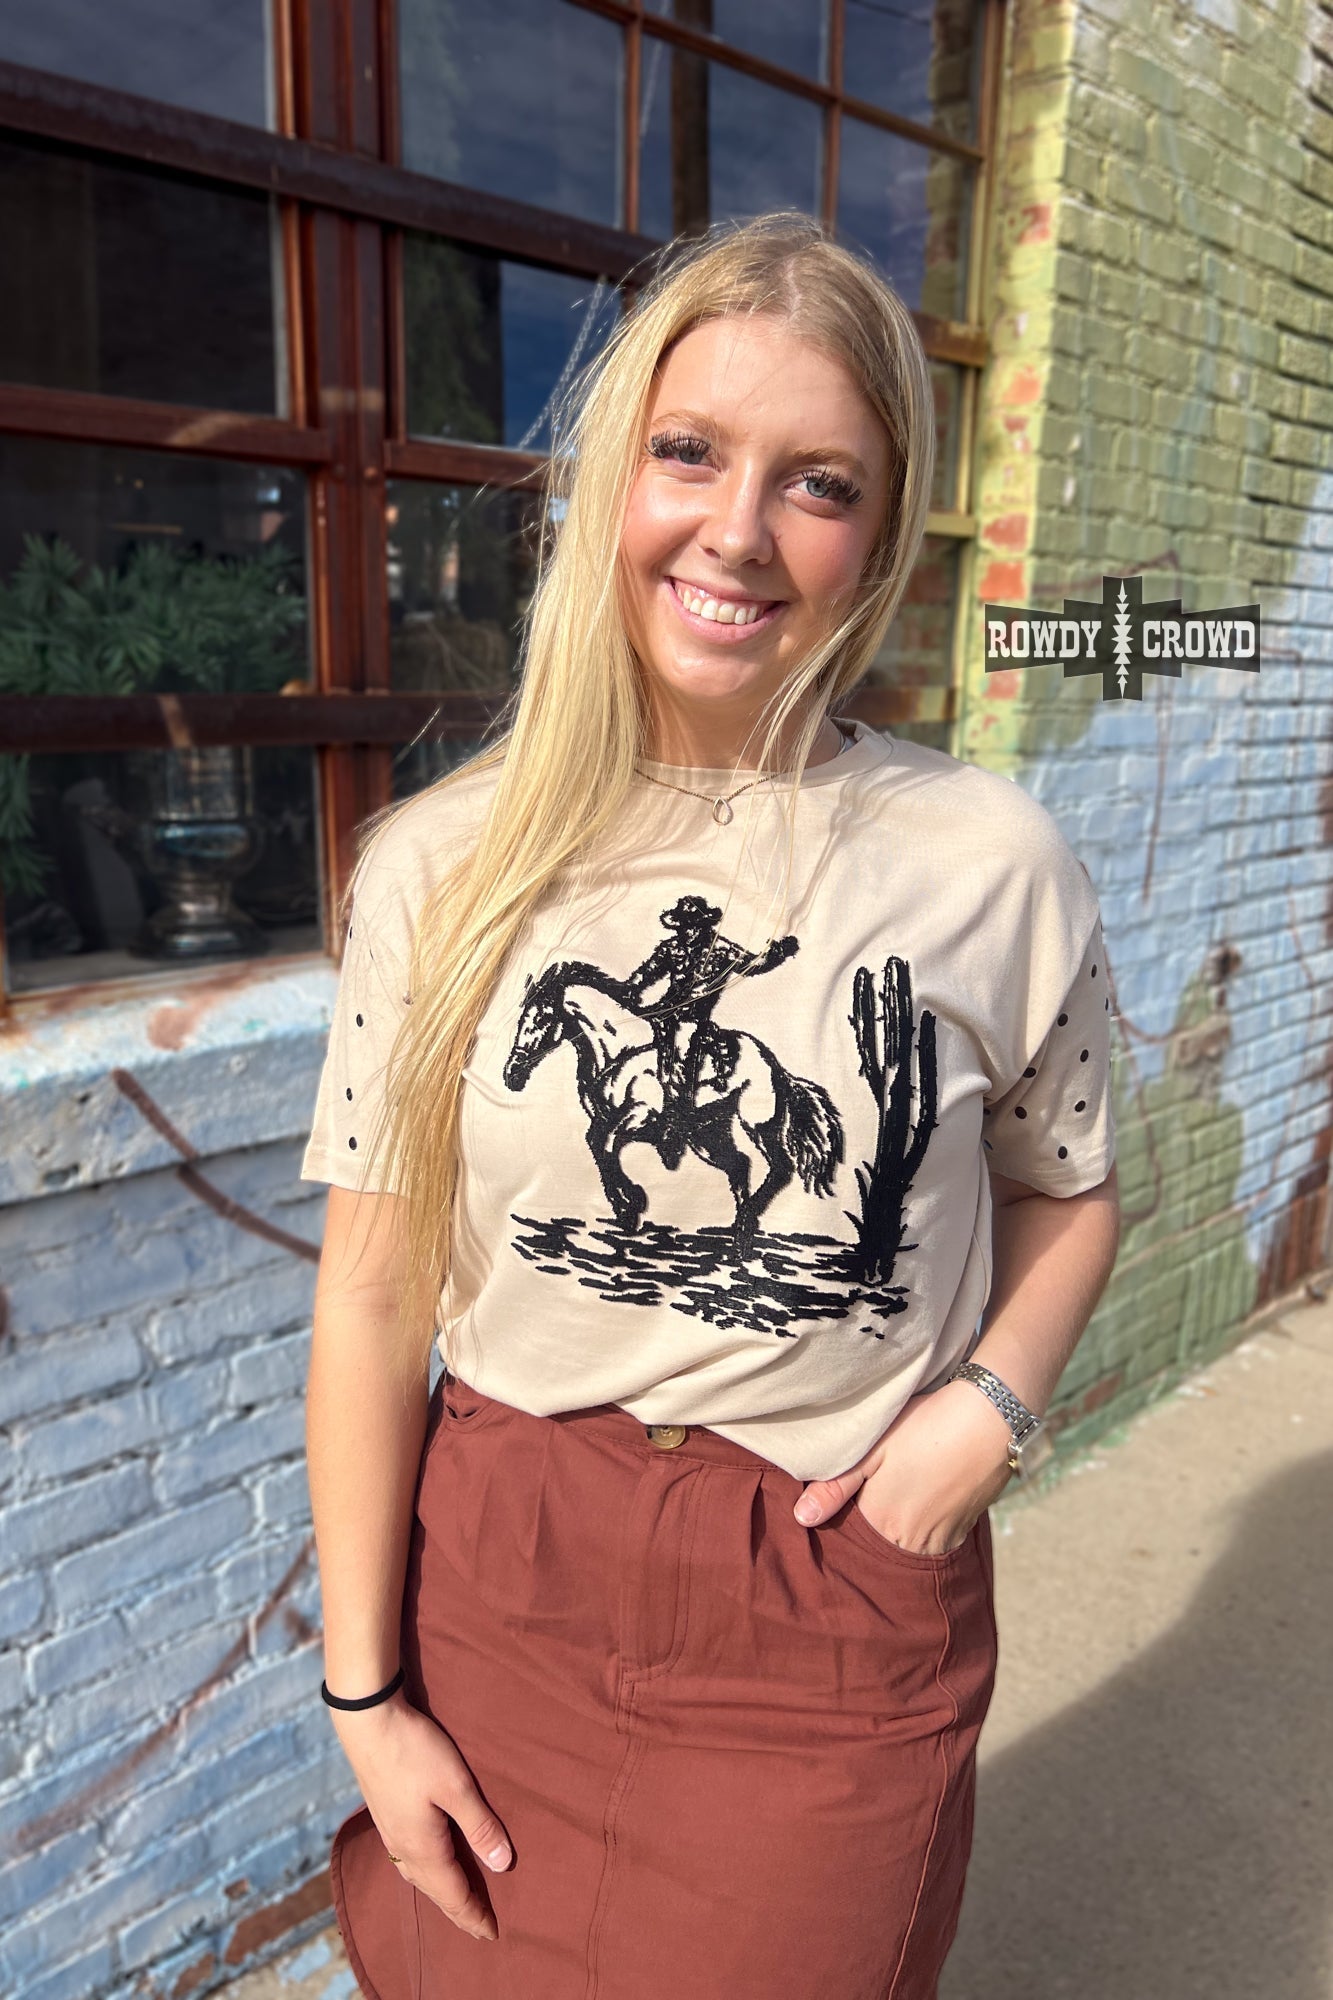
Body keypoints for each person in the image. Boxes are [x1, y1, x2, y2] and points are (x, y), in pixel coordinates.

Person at [302, 210, 1121, 2000]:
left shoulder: (989, 861)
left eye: (816, 484)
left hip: (822, 1592)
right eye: (688, 452)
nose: (737, 530)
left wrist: (985, 1417)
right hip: (505, 1570)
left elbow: (1064, 1188)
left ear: (876, 538)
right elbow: (370, 1293)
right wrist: (362, 1694)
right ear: (612, 476)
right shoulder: (440, 863)